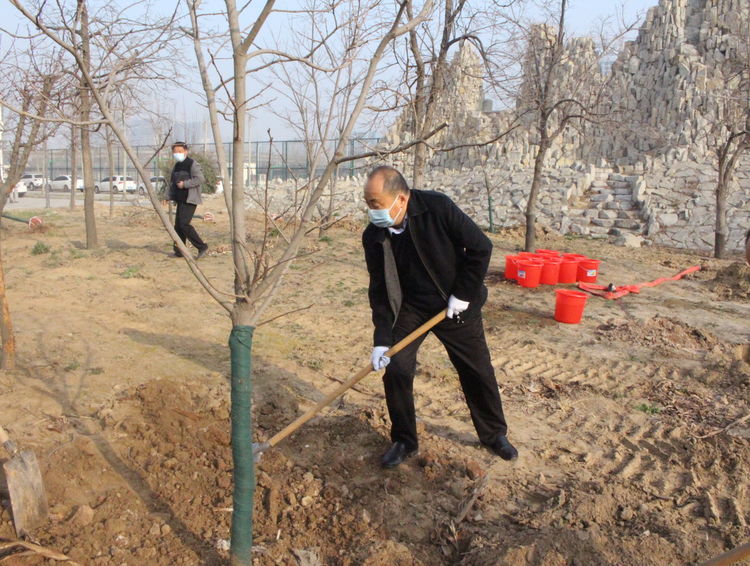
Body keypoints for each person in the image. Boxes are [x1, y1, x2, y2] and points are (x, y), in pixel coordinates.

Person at [362, 165, 517, 468]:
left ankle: (494, 434)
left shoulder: (437, 207)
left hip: (454, 305)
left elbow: (480, 247)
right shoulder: (375, 236)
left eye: (375, 204)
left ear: (401, 199)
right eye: (367, 203)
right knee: (397, 369)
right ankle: (404, 440)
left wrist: (463, 294)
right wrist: (381, 340)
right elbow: (379, 290)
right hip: (412, 308)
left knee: (476, 370)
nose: (371, 211)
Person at [168, 142, 208, 260]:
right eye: (175, 152)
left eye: (180, 151)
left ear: (186, 151)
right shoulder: (176, 166)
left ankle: (202, 247)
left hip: (190, 199)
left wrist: (185, 184)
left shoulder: (192, 164)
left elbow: (200, 179)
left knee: (184, 224)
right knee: (178, 226)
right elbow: (172, 183)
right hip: (180, 199)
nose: (177, 154)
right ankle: (179, 250)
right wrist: (168, 196)